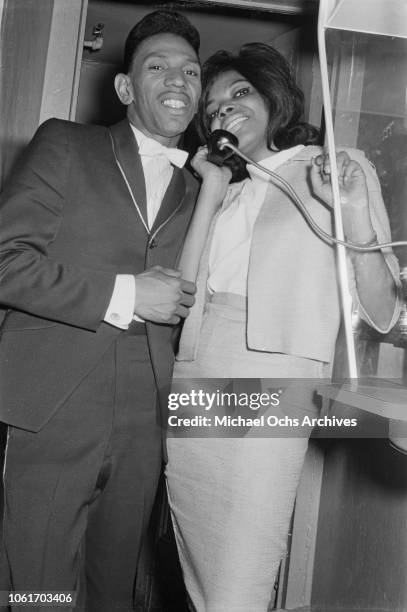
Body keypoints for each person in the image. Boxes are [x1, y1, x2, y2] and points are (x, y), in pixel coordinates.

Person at [165, 43, 401, 611]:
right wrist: (212, 191)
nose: (223, 110)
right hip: (195, 370)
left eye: (239, 93)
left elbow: (385, 310)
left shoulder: (329, 165)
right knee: (198, 558)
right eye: (213, 107)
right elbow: (182, 292)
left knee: (241, 567)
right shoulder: (219, 189)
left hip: (272, 377)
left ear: (273, 96)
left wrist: (353, 211)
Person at [0, 10, 201, 611]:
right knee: (40, 589)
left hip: (150, 420)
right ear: (123, 87)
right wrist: (127, 293)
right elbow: (5, 259)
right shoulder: (65, 142)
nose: (178, 80)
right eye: (157, 66)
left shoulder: (204, 188)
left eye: (191, 71)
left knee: (116, 589)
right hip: (52, 405)